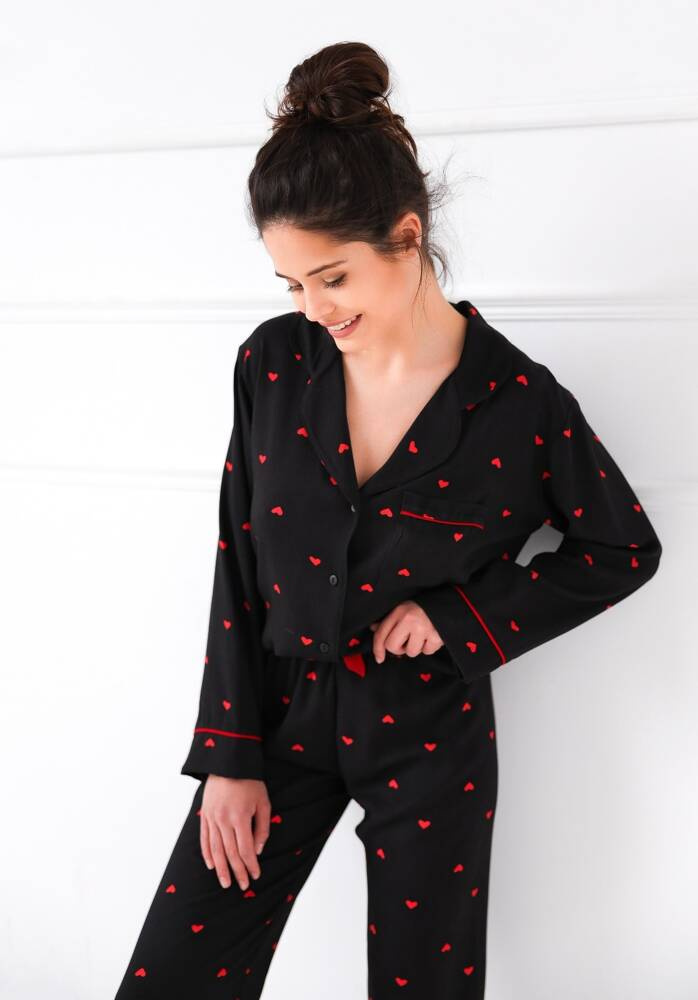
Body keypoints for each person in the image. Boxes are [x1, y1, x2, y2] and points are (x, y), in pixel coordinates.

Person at [113, 41, 663, 999]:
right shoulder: (273, 365)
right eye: (292, 284)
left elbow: (622, 547)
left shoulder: (519, 403)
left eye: (332, 278)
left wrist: (464, 617)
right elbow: (238, 556)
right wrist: (228, 755)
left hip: (427, 728)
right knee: (174, 976)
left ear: (407, 238)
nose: (313, 308)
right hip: (277, 714)